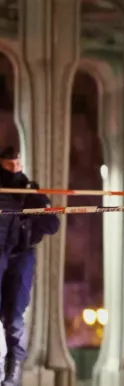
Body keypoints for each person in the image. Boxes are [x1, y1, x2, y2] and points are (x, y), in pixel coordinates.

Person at [0, 147, 58, 386]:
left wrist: (34, 213)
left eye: (17, 163)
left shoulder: (29, 190)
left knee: (14, 317)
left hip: (21, 255)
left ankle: (12, 371)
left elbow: (52, 224)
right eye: (9, 164)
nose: (14, 168)